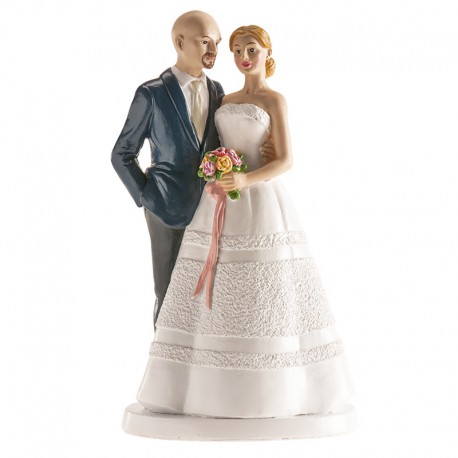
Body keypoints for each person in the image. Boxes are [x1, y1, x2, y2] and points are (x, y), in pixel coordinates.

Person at [134, 25, 355, 427]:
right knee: (216, 286)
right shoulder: (225, 97)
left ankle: (271, 382)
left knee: (264, 286)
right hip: (218, 199)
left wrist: (246, 178)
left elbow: (285, 159)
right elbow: (211, 145)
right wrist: (216, 171)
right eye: (236, 50)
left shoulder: (274, 100)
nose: (243, 57)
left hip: (259, 199)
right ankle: (203, 380)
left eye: (250, 49)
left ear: (267, 51)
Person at [111, 11, 275, 329]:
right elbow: (122, 154)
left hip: (211, 210)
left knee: (206, 294)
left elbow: (227, 140)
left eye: (216, 43)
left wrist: (262, 148)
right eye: (204, 42)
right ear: (180, 42)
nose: (213, 51)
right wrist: (146, 197)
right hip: (166, 209)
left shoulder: (217, 91)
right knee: (168, 292)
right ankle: (163, 356)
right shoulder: (152, 93)